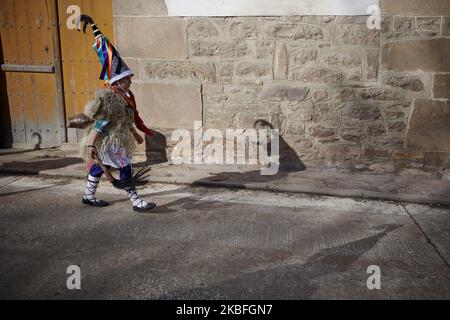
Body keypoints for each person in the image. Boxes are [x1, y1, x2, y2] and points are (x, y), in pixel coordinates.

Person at [79, 15, 156, 212]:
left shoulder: (126, 95)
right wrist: (90, 144)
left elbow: (126, 119)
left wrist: (135, 133)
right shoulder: (110, 99)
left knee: (99, 167)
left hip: (116, 137)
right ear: (117, 82)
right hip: (108, 140)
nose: (130, 81)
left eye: (129, 78)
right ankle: (136, 201)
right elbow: (101, 123)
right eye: (127, 79)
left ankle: (88, 196)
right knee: (125, 167)